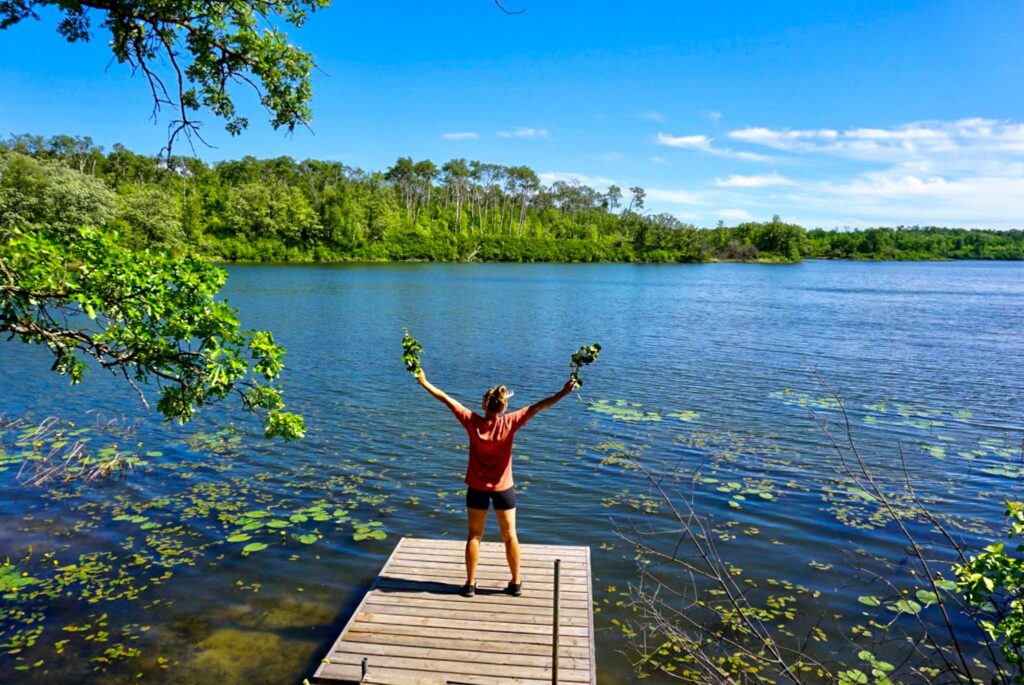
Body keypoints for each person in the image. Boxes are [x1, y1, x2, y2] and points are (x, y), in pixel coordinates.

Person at [415, 369, 577, 597]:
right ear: (502, 407)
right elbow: (539, 406)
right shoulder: (510, 422)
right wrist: (563, 392)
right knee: (510, 535)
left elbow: (445, 399)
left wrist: (424, 381)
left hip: (477, 489)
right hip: (504, 489)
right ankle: (516, 583)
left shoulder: (472, 421)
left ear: (484, 405)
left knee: (474, 535)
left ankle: (470, 584)